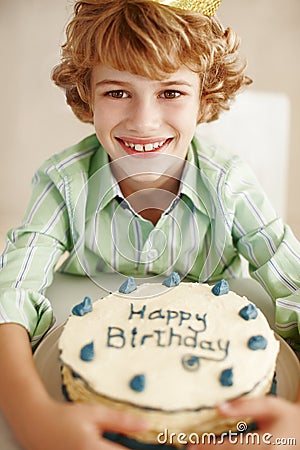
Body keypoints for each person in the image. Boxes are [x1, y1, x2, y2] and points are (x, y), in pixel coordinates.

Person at [0, 1, 299, 449]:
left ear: (206, 98)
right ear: (87, 94)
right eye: (117, 92)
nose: (143, 121)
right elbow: (10, 296)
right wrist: (33, 417)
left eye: (171, 92)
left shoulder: (231, 184)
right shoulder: (63, 182)